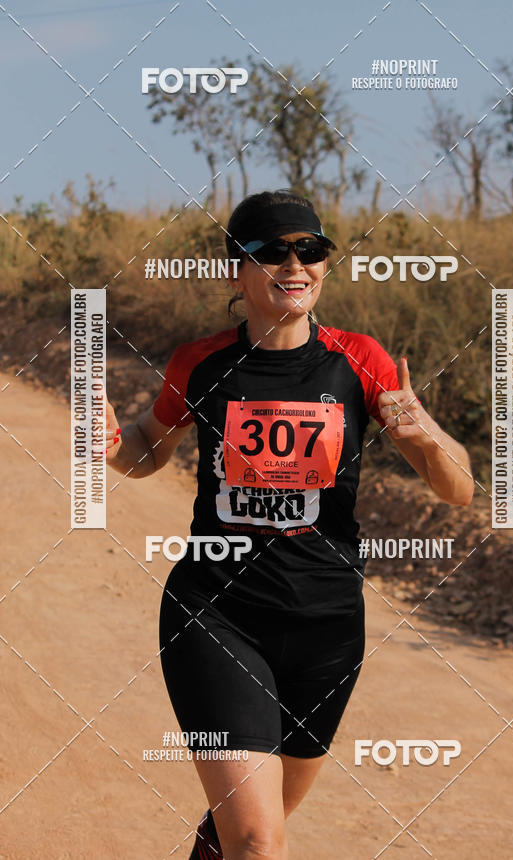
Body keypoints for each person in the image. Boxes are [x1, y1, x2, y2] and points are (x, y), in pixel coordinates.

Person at [104, 190, 473, 860]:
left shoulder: (361, 360)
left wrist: (429, 437)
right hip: (216, 613)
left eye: (311, 248)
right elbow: (149, 448)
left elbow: (459, 490)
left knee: (242, 828)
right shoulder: (202, 363)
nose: (294, 262)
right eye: (272, 250)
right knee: (257, 840)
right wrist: (111, 448)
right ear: (234, 271)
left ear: (326, 263)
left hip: (327, 627)